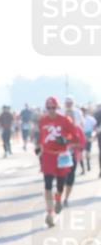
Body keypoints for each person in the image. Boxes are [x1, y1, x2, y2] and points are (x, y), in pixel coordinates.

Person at [35, 95, 82, 227]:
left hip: (61, 156)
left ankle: (58, 199)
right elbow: (41, 137)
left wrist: (66, 140)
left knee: (60, 185)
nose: (51, 110)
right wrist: (38, 148)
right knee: (47, 184)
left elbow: (76, 137)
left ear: (57, 107)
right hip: (48, 155)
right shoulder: (43, 121)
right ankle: (49, 213)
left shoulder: (65, 120)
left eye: (53, 107)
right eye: (49, 107)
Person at [81, 107, 96, 173]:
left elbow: (94, 127)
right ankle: (83, 168)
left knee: (87, 151)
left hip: (88, 134)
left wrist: (93, 135)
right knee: (81, 152)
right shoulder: (79, 118)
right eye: (82, 111)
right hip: (81, 135)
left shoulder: (90, 118)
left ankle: (88, 164)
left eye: (84, 111)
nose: (83, 112)